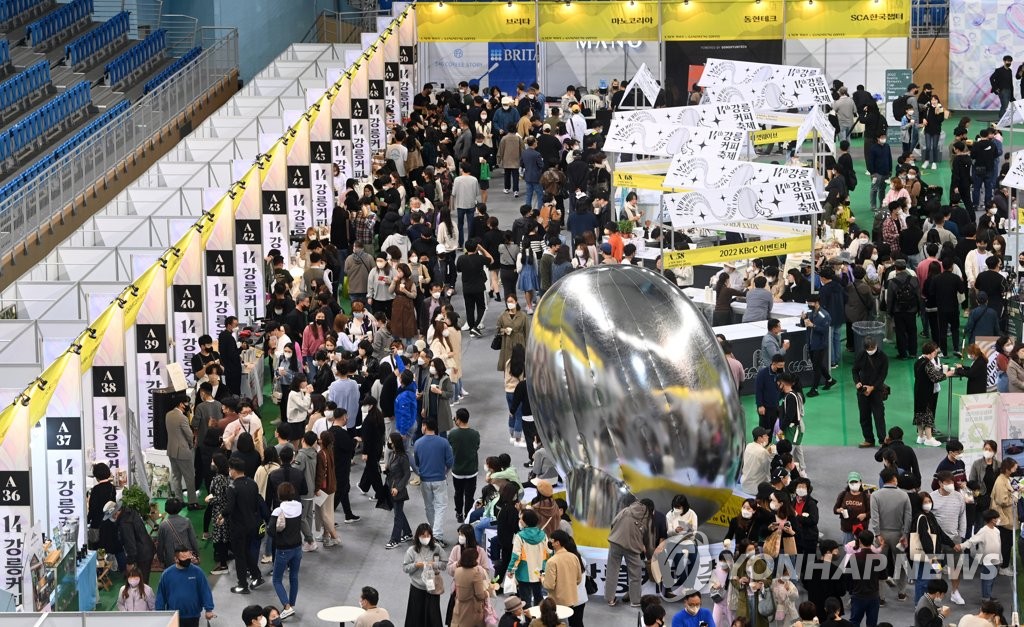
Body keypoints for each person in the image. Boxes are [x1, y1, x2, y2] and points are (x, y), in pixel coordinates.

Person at [869, 468, 912, 604]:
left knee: (879, 566)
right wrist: (905, 534)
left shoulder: (875, 495)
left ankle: (881, 597)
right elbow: (908, 517)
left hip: (881, 534)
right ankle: (902, 593)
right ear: (894, 479)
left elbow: (874, 517)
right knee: (901, 563)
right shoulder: (904, 495)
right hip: (898, 534)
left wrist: (877, 534)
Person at [223, 457, 264, 594]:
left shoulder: (232, 487)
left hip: (238, 527)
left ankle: (242, 585)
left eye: (230, 469)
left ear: (233, 470)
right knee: (246, 551)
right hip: (252, 524)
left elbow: (229, 508)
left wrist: (222, 516)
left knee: (239, 556)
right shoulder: (252, 483)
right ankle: (257, 576)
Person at [605, 497, 653, 608]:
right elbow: (648, 539)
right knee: (635, 575)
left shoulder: (626, 510)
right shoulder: (648, 518)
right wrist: (649, 555)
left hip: (615, 543)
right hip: (632, 548)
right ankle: (635, 601)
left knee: (612, 571)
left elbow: (613, 522)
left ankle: (610, 599)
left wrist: (616, 534)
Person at [930, 470, 968, 604]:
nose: (951, 485)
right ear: (940, 483)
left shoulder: (958, 497)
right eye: (947, 482)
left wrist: (961, 536)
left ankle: (955, 592)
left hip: (955, 539)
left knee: (955, 568)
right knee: (936, 569)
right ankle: (936, 595)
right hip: (936, 542)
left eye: (952, 482)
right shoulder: (932, 497)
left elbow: (963, 516)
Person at [415, 419, 454, 546]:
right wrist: (445, 472)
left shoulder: (418, 443)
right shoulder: (443, 442)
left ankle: (435, 533)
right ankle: (437, 535)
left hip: (425, 480)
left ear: (425, 427)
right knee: (440, 506)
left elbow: (416, 462)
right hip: (439, 479)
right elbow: (450, 462)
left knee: (429, 507)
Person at [155, 546, 216, 627]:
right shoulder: (167, 574)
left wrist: (209, 609)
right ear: (176, 559)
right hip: (174, 616)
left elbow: (205, 590)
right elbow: (161, 595)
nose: (187, 560)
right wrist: (159, 612)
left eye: (188, 557)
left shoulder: (197, 572)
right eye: (184, 558)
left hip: (193, 615)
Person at [270, 481, 303, 619]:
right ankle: (292, 604)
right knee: (294, 577)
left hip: (283, 549)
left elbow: (271, 531)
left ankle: (287, 606)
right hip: (298, 548)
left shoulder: (278, 511)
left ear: (279, 495)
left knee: (276, 579)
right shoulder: (299, 506)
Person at [403, 522, 446, 627]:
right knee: (415, 616)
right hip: (417, 588)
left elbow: (444, 564)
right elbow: (405, 568)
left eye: (428, 536)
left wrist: (434, 564)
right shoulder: (412, 551)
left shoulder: (437, 548)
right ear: (418, 536)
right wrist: (416, 565)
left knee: (433, 615)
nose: (426, 538)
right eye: (423, 536)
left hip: (432, 588)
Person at [507, 509, 550, 609]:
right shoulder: (543, 535)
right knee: (539, 598)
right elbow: (549, 552)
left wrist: (511, 570)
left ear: (526, 521)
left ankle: (528, 622)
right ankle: (540, 620)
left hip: (524, 573)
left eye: (521, 519)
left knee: (525, 600)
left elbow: (516, 556)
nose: (519, 520)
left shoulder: (519, 536)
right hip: (540, 572)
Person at [913, 342, 953, 447]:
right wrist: (946, 375)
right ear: (930, 352)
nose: (935, 353)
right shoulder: (928, 363)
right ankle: (929, 438)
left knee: (919, 412)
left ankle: (920, 436)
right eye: (934, 352)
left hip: (918, 390)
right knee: (928, 413)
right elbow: (935, 378)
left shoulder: (918, 362)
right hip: (926, 392)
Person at [851, 337, 889, 448]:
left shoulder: (883, 357)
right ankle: (868, 439)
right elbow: (855, 370)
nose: (871, 350)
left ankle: (882, 441)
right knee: (864, 416)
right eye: (869, 348)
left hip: (877, 391)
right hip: (862, 391)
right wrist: (857, 382)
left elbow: (882, 376)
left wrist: (872, 387)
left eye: (872, 348)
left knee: (879, 416)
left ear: (876, 345)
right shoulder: (861, 355)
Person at [960, 509, 1002, 601]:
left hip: (995, 559)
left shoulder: (996, 531)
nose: (998, 519)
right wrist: (962, 546)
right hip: (987, 560)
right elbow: (972, 540)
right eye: (997, 518)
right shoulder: (984, 531)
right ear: (992, 519)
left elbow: (999, 545)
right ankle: (986, 598)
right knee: (987, 580)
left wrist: (1000, 558)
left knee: (992, 579)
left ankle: (988, 596)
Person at [166, 393, 199, 507]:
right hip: (183, 451)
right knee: (189, 477)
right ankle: (192, 502)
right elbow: (189, 435)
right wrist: (191, 444)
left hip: (171, 450)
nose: (188, 405)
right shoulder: (182, 418)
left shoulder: (168, 414)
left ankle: (179, 500)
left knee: (176, 476)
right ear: (181, 404)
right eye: (186, 403)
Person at [848, 530, 885, 627]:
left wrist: (851, 590)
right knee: (872, 624)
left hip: (858, 594)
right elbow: (883, 576)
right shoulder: (879, 558)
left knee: (854, 622)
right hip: (873, 596)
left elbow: (847, 577)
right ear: (872, 541)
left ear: (859, 541)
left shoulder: (854, 557)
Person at [449, 408, 481, 523]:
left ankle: (459, 513)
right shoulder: (475, 434)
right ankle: (468, 514)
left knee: (458, 493)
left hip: (457, 471)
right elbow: (476, 447)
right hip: (471, 470)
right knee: (469, 495)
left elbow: (450, 448)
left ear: (458, 419)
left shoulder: (452, 434)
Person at [384, 432, 414, 549]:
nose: (389, 442)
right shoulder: (393, 454)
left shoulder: (403, 457)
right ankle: (407, 532)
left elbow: (406, 475)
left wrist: (398, 487)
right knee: (399, 512)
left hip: (398, 489)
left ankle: (395, 539)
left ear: (395, 442)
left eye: (390, 440)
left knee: (397, 514)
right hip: (391, 487)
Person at [803, 294, 835, 397]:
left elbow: (825, 330)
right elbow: (805, 324)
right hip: (811, 344)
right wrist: (803, 319)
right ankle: (830, 380)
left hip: (820, 345)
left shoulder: (824, 315)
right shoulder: (811, 313)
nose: (809, 305)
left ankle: (815, 389)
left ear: (817, 303)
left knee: (816, 367)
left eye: (811, 303)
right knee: (818, 365)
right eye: (808, 303)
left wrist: (813, 326)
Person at [453, 544, 492, 627]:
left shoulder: (458, 571)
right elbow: (480, 595)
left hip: (459, 605)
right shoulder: (475, 574)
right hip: (472, 608)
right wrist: (488, 592)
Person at [542, 529, 582, 610]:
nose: (549, 542)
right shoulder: (574, 557)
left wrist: (542, 579)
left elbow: (549, 585)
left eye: (551, 540)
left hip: (557, 601)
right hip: (572, 599)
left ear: (557, 543)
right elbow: (578, 579)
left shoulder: (552, 561)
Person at [157, 498, 200, 569]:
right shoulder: (186, 521)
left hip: (172, 560)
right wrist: (197, 554)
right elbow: (193, 539)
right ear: (179, 508)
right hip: (187, 557)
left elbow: (160, 546)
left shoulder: (163, 525)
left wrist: (161, 560)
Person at [834, 472, 871, 545]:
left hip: (861, 529)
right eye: (852, 482)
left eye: (856, 482)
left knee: (861, 551)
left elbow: (872, 512)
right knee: (848, 550)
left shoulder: (865, 496)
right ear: (848, 483)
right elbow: (835, 509)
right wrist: (839, 510)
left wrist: (865, 515)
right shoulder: (843, 494)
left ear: (860, 482)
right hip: (847, 528)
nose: (854, 484)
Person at [754, 355, 784, 432]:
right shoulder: (762, 374)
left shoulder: (780, 373)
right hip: (764, 407)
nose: (781, 368)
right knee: (765, 430)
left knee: (774, 428)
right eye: (780, 366)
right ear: (773, 363)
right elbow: (758, 390)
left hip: (775, 406)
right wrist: (760, 405)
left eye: (783, 365)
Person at [741, 427, 774, 495]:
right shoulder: (763, 452)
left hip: (744, 485)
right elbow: (767, 472)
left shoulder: (749, 445)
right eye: (765, 436)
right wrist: (771, 455)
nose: (768, 437)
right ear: (759, 438)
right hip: (755, 489)